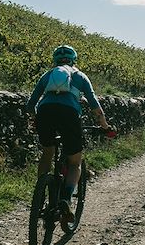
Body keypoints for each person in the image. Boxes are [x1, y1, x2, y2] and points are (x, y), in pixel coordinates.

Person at [26, 44, 111, 223]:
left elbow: (30, 104)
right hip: (69, 114)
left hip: (45, 112)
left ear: (55, 60)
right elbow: (95, 105)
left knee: (47, 152)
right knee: (75, 162)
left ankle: (41, 192)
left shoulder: (48, 75)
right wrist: (104, 125)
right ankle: (65, 198)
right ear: (74, 60)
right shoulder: (79, 76)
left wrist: (35, 119)